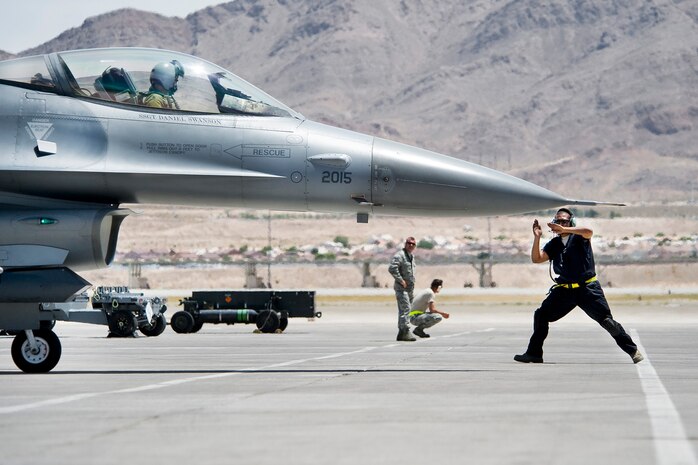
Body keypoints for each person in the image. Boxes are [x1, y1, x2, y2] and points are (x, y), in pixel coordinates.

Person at [514, 208, 644, 364]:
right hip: (565, 290)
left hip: (587, 289)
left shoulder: (580, 238)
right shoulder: (554, 244)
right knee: (541, 315)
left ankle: (633, 351)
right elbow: (537, 258)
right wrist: (537, 237)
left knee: (607, 321)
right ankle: (534, 353)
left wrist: (565, 229)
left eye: (564, 221)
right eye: (558, 221)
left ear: (571, 222)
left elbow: (589, 231)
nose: (560, 224)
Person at [389, 237, 417, 341]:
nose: (410, 245)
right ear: (405, 244)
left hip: (409, 289)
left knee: (405, 310)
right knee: (406, 309)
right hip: (402, 288)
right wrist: (401, 280)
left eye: (413, 244)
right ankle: (405, 331)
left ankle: (401, 333)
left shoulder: (411, 256)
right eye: (409, 243)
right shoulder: (400, 255)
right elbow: (392, 268)